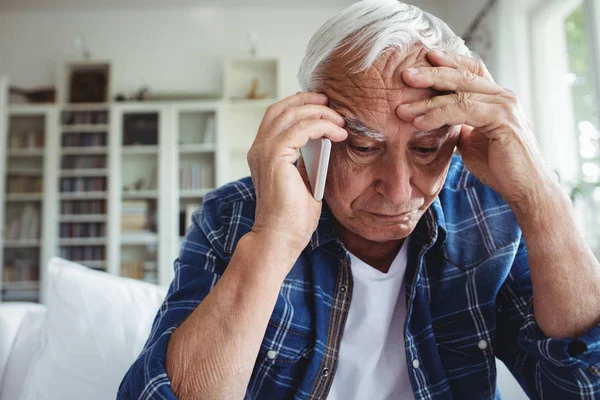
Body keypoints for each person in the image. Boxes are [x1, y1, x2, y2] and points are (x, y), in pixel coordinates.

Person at [118, 1, 600, 399]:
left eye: (428, 148)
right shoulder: (233, 216)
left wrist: (540, 196)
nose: (398, 189)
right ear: (313, 130)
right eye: (363, 147)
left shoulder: (489, 212)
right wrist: (273, 239)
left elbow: (581, 389)